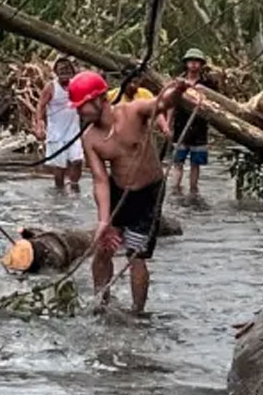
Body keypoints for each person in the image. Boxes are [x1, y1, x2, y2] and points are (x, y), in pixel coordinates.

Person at [70, 69, 190, 315]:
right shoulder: (91, 138)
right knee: (104, 249)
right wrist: (104, 220)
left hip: (149, 193)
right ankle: (99, 304)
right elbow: (100, 180)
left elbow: (161, 102)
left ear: (99, 99)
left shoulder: (132, 111)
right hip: (117, 190)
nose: (79, 112)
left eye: (82, 106)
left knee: (136, 256)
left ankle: (137, 313)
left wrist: (176, 90)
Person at [162, 49, 218, 199]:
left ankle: (193, 190)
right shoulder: (178, 82)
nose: (193, 65)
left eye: (196, 62)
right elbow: (171, 105)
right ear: (186, 64)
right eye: (191, 61)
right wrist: (168, 124)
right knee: (178, 162)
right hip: (181, 125)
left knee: (196, 163)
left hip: (199, 127)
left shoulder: (208, 84)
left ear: (200, 64)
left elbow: (215, 106)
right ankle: (175, 190)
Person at [35, 58, 85, 192]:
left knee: (78, 161)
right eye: (61, 70)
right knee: (60, 167)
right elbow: (40, 105)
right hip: (56, 134)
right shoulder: (51, 87)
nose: (65, 72)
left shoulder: (76, 85)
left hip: (74, 132)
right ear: (56, 72)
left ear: (72, 71)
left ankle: (74, 188)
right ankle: (59, 192)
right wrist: (39, 123)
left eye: (67, 69)